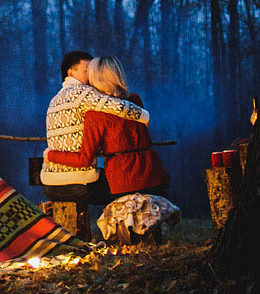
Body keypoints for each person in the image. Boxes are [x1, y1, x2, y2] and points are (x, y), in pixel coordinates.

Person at [47, 55, 169, 197]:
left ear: (95, 77)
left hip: (123, 180)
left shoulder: (95, 114)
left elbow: (84, 158)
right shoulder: (135, 99)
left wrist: (50, 154)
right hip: (153, 173)